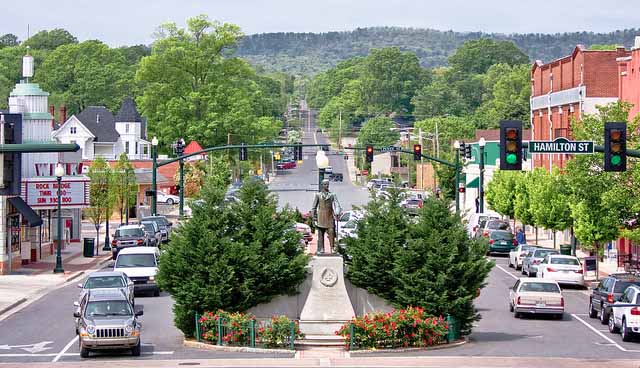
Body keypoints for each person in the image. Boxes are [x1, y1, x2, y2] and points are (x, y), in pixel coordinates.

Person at [311, 179, 342, 254]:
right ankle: (322, 248)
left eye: (327, 184)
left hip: (329, 217)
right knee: (321, 233)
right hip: (321, 217)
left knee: (331, 232)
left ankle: (332, 248)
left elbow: (337, 205)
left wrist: (337, 211)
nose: (327, 186)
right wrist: (314, 218)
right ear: (322, 185)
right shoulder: (318, 195)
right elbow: (314, 208)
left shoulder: (332, 195)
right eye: (325, 184)